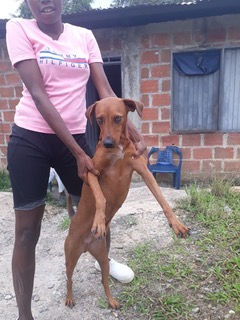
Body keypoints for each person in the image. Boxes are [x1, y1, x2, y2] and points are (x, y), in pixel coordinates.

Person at [6, 1, 145, 319]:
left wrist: (133, 135)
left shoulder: (84, 36)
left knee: (102, 207)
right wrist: (79, 153)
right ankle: (24, 314)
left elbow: (106, 90)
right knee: (28, 230)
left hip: (77, 140)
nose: (44, 1)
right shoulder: (19, 28)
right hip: (31, 140)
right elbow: (39, 94)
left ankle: (105, 262)